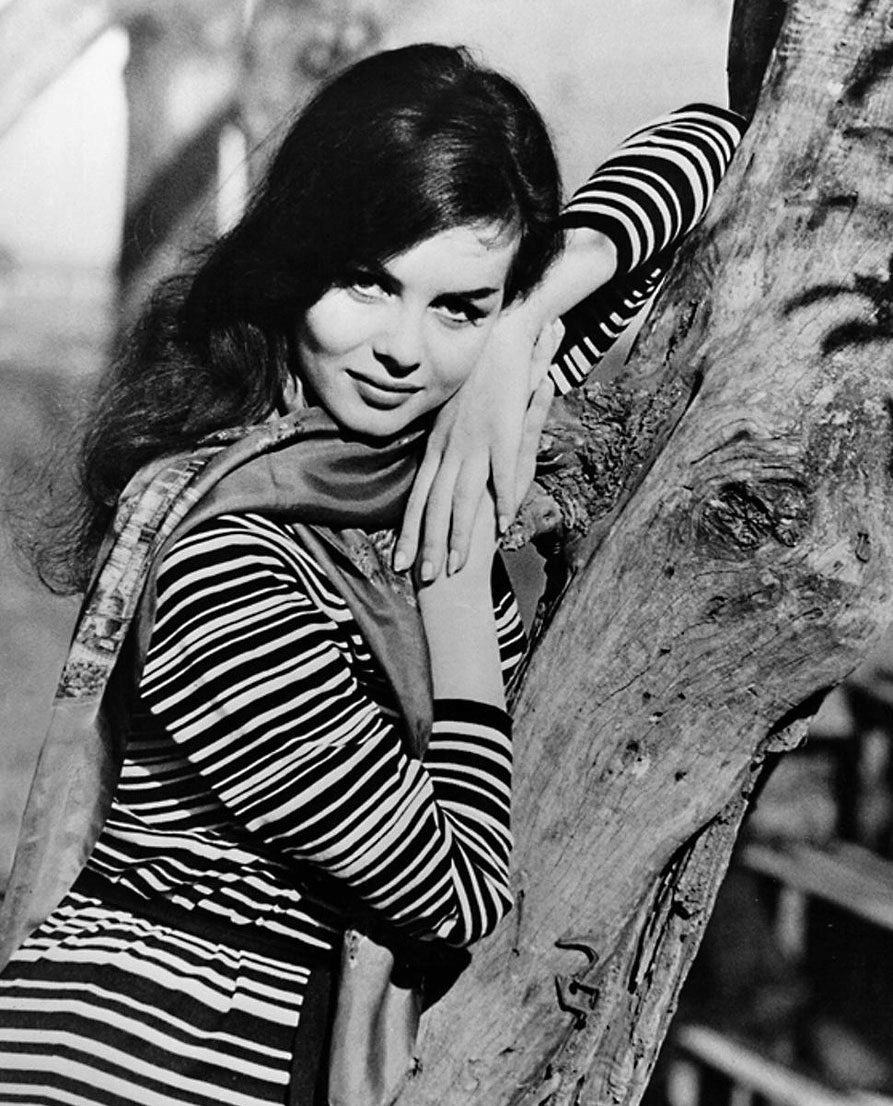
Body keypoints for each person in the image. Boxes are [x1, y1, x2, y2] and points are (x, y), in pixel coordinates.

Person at [0, 43, 744, 1106]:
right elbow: (456, 888)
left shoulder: (422, 455)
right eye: (366, 282)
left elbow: (712, 143)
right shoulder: (230, 557)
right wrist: (456, 599)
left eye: (457, 304)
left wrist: (522, 326)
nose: (403, 348)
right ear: (296, 259)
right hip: (128, 1057)